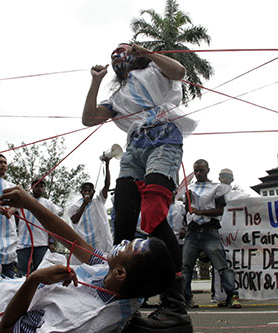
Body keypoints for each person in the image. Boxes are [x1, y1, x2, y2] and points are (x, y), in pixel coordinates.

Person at [0, 186, 175, 333]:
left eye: (129, 246)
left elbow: (7, 329)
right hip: (14, 292)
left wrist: (34, 280)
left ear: (121, 274)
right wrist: (31, 203)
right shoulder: (125, 281)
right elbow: (76, 242)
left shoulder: (78, 321)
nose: (124, 242)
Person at [82, 43, 197, 332]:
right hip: (134, 149)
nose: (119, 56)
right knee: (122, 220)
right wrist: (95, 82)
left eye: (125, 51)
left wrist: (147, 53)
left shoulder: (155, 71)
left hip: (164, 139)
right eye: (114, 54)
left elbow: (179, 70)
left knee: (154, 215)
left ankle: (174, 303)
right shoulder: (116, 97)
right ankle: (125, 304)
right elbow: (89, 119)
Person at [183, 159, 241, 309]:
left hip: (210, 231)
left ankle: (232, 295)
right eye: (195, 170)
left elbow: (220, 210)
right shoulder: (189, 188)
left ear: (208, 170)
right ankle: (186, 298)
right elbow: (186, 210)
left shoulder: (217, 188)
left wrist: (200, 212)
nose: (198, 173)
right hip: (193, 232)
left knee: (222, 266)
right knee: (186, 267)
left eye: (201, 170)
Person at [212, 168, 250, 306]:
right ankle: (221, 296)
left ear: (232, 179)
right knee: (219, 265)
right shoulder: (213, 194)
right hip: (218, 233)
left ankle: (235, 294)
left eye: (228, 176)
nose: (225, 179)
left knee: (236, 264)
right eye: (222, 176)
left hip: (234, 235)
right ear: (219, 178)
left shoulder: (238, 195)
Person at [16, 178, 62, 277]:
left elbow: (52, 223)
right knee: (22, 273)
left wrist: (50, 241)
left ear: (44, 189)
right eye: (37, 186)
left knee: (40, 272)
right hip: (23, 244)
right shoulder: (23, 201)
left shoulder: (48, 204)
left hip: (41, 243)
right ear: (32, 187)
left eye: (42, 186)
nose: (39, 188)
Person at [68, 157, 113, 253]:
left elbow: (107, 185)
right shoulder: (75, 206)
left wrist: (107, 164)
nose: (87, 192)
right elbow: (74, 220)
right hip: (84, 243)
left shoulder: (99, 200)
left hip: (100, 243)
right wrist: (84, 204)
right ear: (81, 192)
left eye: (89, 190)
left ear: (94, 192)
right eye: (85, 191)